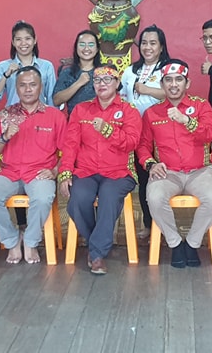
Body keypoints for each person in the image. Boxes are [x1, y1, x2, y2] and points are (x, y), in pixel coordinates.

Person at [58, 65, 142, 275]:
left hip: (119, 172)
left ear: (117, 83)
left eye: (107, 79)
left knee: (109, 197)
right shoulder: (81, 110)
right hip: (86, 171)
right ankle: (97, 243)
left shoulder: (129, 111)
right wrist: (65, 172)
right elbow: (70, 145)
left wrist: (108, 130)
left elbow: (132, 143)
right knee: (77, 200)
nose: (101, 84)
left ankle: (96, 254)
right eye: (97, 80)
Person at [137, 60, 212, 268]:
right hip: (168, 172)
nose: (173, 84)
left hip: (200, 171)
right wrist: (151, 164)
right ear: (162, 84)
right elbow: (143, 146)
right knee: (154, 198)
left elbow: (210, 135)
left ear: (187, 83)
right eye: (168, 80)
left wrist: (187, 121)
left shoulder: (201, 106)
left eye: (178, 80)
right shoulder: (152, 113)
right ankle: (175, 243)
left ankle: (192, 244)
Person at [0, 66, 67, 264]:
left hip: (39, 173)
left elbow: (69, 151)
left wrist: (55, 171)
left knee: (43, 198)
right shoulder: (4, 115)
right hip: (9, 172)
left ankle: (30, 241)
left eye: (33, 85)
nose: (28, 89)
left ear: (40, 87)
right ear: (16, 88)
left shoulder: (55, 116)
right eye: (22, 85)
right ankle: (12, 241)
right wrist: (4, 137)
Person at [120, 25, 170, 238]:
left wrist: (147, 89)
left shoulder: (168, 69)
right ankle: (149, 224)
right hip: (137, 131)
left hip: (163, 131)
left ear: (161, 47)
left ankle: (166, 226)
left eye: (153, 43)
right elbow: (122, 97)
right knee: (144, 177)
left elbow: (174, 93)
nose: (148, 47)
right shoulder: (130, 71)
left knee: (165, 177)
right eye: (144, 43)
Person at [0, 20, 56, 107]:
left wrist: (52, 115)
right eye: (18, 39)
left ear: (35, 40)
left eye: (27, 38)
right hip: (13, 114)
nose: (23, 43)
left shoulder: (46, 66)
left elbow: (52, 99)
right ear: (13, 42)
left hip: (40, 114)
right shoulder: (3, 66)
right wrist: (6, 75)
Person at [53, 30, 102, 114]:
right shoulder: (67, 72)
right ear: (76, 48)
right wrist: (78, 83)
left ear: (97, 49)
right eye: (82, 44)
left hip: (100, 119)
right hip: (74, 120)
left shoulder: (103, 72)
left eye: (91, 45)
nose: (86, 48)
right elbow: (56, 100)